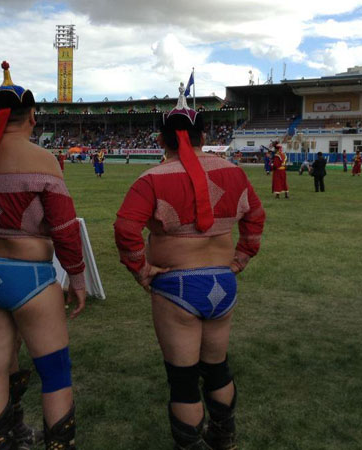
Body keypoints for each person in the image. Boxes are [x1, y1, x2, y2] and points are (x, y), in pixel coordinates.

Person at [114, 91, 265, 449]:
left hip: (177, 285)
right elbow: (256, 216)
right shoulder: (234, 172)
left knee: (183, 379)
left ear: (161, 140)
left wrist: (140, 269)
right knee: (216, 367)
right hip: (222, 282)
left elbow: (125, 228)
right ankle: (223, 437)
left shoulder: (152, 178)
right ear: (204, 137)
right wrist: (242, 256)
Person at [0, 62, 86, 449]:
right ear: (32, 117)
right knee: (55, 371)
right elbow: (64, 229)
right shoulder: (43, 161)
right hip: (30, 278)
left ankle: (0, 442)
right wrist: (77, 277)